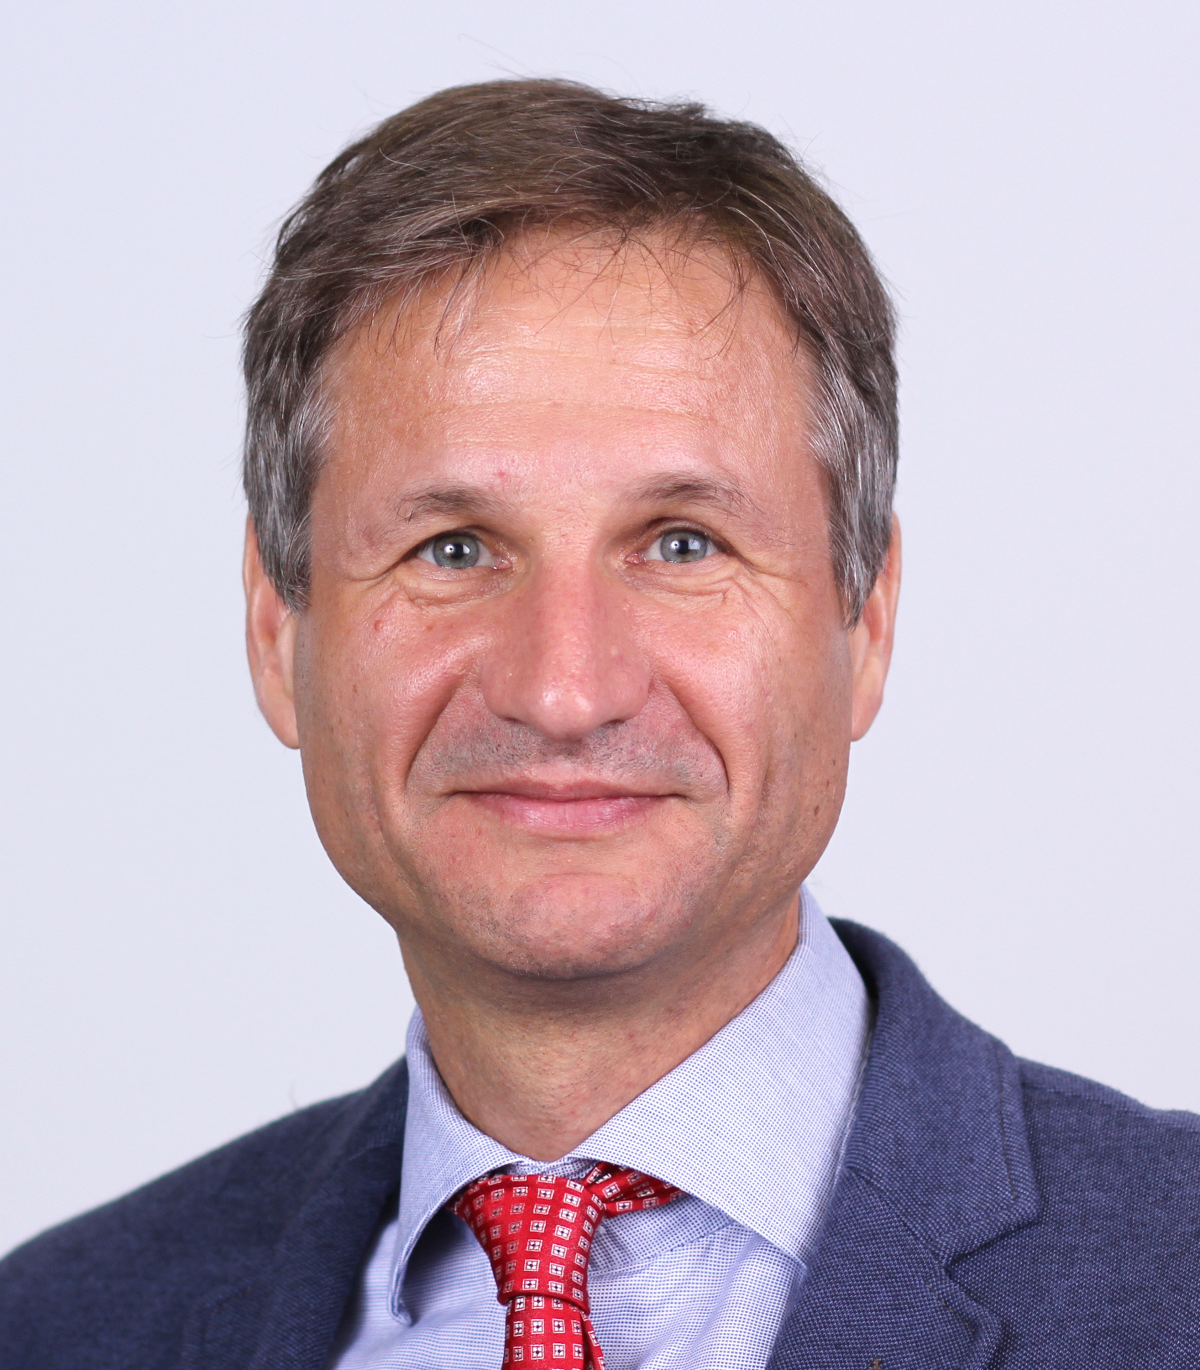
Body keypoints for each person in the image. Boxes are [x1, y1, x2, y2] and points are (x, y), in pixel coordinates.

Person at [1, 78, 1197, 1370]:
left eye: (682, 544)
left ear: (866, 618)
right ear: (276, 628)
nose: (563, 690)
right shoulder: (57, 1329)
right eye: (453, 548)